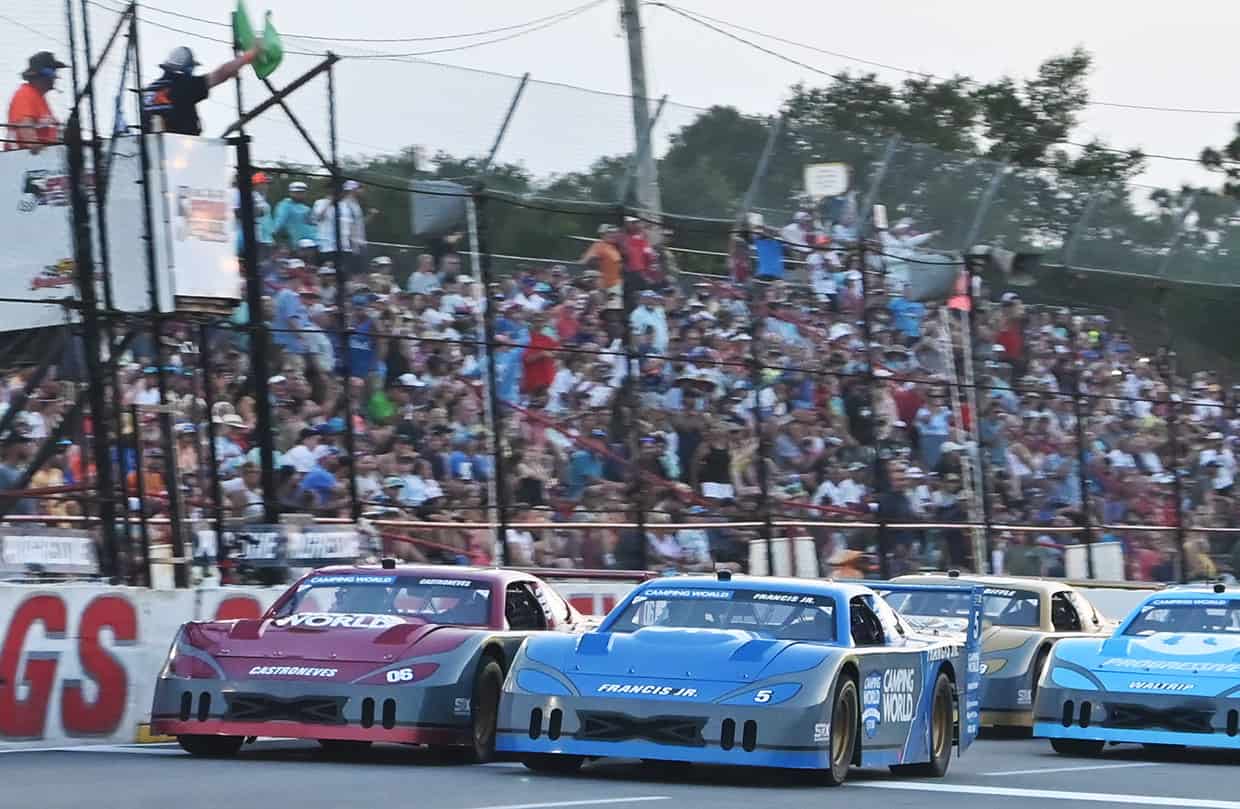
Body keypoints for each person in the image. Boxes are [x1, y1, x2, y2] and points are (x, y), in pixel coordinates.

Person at [141, 43, 262, 136]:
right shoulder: (184, 85)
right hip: (180, 154)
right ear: (187, 68)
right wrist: (249, 56)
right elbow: (220, 74)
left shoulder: (149, 91)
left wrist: (229, 73)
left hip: (149, 157)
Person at [6, 52, 67, 152]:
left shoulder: (39, 98)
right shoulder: (24, 94)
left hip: (41, 162)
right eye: (51, 72)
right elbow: (25, 127)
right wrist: (35, 145)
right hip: (23, 162)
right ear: (38, 75)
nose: (54, 76)